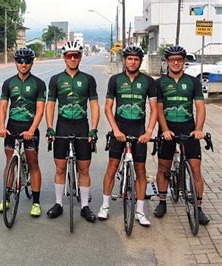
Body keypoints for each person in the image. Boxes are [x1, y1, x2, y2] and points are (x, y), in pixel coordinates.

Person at [97, 45, 157, 226]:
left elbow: (154, 109)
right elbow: (108, 108)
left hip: (139, 131)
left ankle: (140, 211)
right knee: (112, 166)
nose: (132, 62)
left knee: (140, 171)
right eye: (129, 59)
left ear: (140, 61)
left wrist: (148, 131)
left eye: (136, 59)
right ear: (124, 60)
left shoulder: (148, 82)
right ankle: (105, 205)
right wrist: (115, 129)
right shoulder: (115, 80)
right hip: (119, 129)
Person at [153, 45, 210, 225]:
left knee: (195, 168)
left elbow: (200, 107)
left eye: (179, 59)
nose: (176, 62)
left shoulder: (193, 82)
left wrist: (199, 129)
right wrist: (164, 129)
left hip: (189, 129)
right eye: (172, 60)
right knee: (163, 168)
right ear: (167, 62)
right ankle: (162, 201)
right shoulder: (159, 83)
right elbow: (158, 109)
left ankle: (198, 207)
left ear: (184, 62)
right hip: (167, 129)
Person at [45, 41, 100, 222]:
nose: (73, 58)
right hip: (62, 125)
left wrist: (93, 128)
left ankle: (85, 206)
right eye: (69, 55)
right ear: (64, 58)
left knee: (84, 169)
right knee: (60, 167)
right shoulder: (56, 80)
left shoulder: (88, 79)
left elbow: (94, 105)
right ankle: (59, 203)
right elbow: (51, 105)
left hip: (81, 126)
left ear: (81, 57)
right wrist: (50, 127)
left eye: (76, 55)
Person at [0, 47, 46, 217]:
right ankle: (7, 197)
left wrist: (32, 129)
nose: (23, 64)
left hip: (30, 129)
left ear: (32, 63)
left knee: (33, 163)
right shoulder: (8, 83)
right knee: (10, 161)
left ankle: (36, 202)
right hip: (12, 127)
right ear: (15, 62)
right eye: (20, 61)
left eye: (27, 62)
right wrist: (2, 126)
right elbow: (3, 107)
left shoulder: (38, 83)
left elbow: (40, 109)